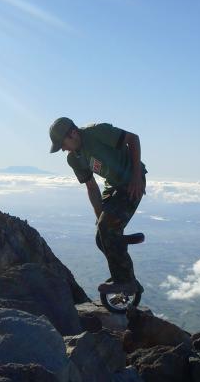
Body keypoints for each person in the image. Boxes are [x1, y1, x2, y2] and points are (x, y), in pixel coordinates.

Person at [49, 117, 146, 294]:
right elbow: (92, 187)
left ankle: (126, 282)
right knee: (101, 236)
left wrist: (136, 177)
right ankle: (127, 273)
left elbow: (133, 139)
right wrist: (100, 217)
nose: (63, 149)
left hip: (132, 182)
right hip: (114, 187)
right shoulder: (74, 159)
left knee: (107, 228)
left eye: (62, 144)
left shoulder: (97, 132)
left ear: (73, 133)